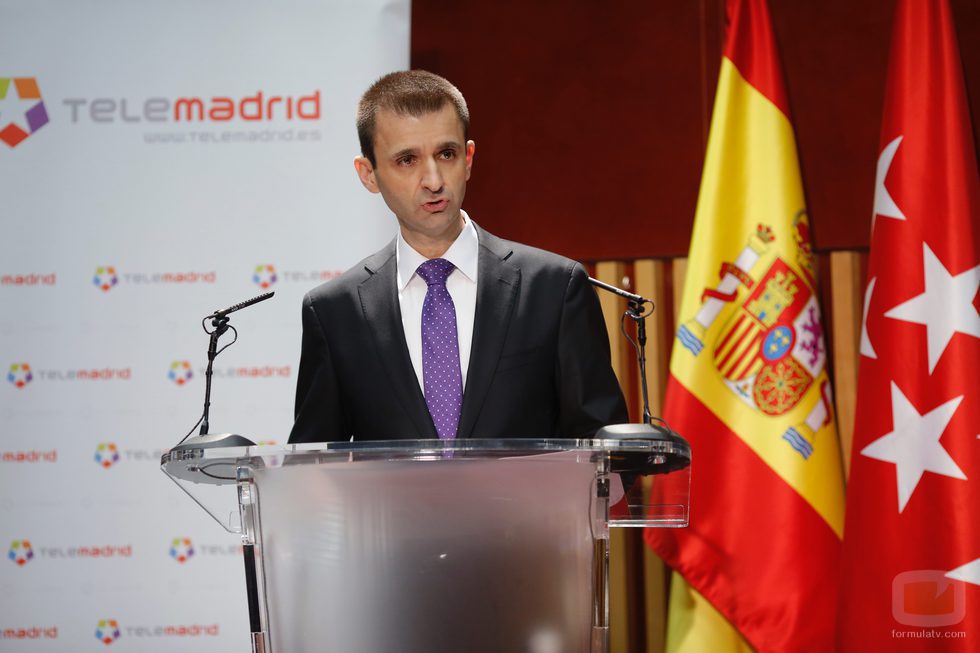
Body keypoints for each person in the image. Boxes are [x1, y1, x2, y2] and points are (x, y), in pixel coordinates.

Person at [288, 70, 627, 443]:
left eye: (446, 154)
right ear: (368, 174)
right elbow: (314, 466)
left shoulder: (554, 289)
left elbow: (604, 452)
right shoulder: (336, 312)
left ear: (467, 158)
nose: (433, 180)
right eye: (407, 160)